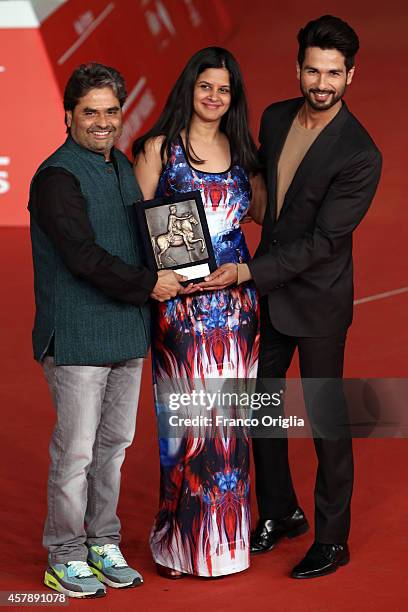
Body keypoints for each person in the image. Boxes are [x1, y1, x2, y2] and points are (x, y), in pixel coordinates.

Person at [199, 15, 382, 579]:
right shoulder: (277, 118)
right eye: (312, 70)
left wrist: (244, 272)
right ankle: (281, 511)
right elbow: (254, 189)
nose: (321, 83)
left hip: (318, 302)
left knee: (328, 424)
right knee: (262, 412)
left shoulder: (360, 153)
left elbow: (325, 243)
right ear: (297, 67)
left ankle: (333, 539)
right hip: (269, 296)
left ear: (351, 75)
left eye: (333, 73)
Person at [28, 63, 185, 598]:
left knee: (113, 448)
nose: (102, 122)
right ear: (68, 115)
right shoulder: (56, 177)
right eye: (89, 112)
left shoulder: (119, 164)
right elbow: (82, 258)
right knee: (75, 453)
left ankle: (103, 541)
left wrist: (183, 262)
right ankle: (65, 554)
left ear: (123, 113)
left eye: (111, 111)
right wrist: (150, 285)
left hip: (125, 332)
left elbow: (142, 232)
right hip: (76, 337)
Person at [133, 47, 259, 578]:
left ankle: (228, 546)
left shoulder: (243, 149)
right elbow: (134, 227)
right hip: (182, 317)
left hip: (236, 310)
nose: (214, 97)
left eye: (224, 89)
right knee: (186, 430)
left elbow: (259, 215)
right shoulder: (161, 149)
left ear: (234, 97)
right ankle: (180, 544)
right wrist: (158, 280)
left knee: (231, 430)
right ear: (188, 88)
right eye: (205, 86)